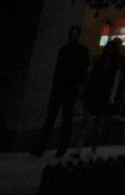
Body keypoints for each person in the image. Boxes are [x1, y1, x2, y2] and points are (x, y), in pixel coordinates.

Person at [33, 27, 90, 158]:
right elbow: (59, 71)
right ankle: (43, 147)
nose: (72, 36)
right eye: (71, 34)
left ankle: (59, 148)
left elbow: (84, 70)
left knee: (65, 118)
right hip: (62, 87)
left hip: (70, 88)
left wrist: (81, 86)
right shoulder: (64, 51)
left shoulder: (80, 51)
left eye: (75, 34)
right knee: (53, 118)